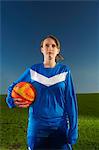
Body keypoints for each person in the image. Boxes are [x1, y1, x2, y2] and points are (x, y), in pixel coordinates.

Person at [6, 35, 78, 150]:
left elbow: (71, 101)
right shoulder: (33, 70)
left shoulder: (65, 71)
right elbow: (13, 87)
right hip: (37, 127)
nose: (50, 48)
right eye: (46, 45)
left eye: (53, 46)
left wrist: (73, 129)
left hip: (59, 127)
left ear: (58, 50)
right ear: (42, 49)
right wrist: (11, 100)